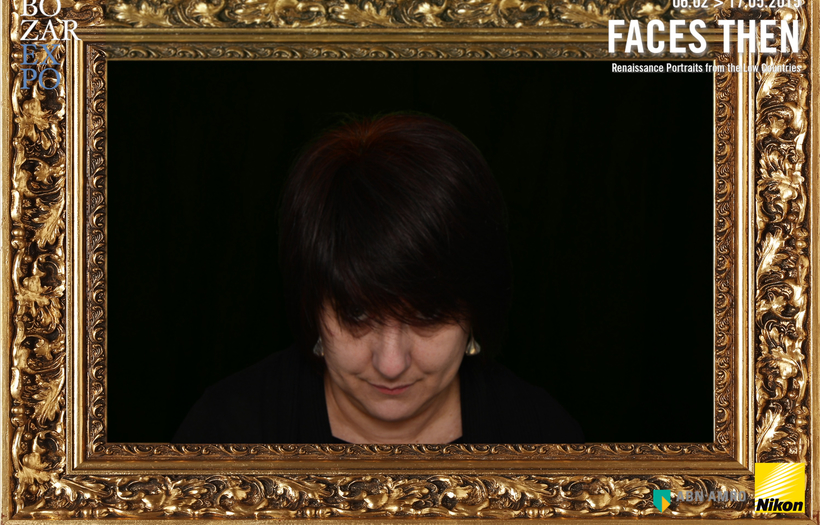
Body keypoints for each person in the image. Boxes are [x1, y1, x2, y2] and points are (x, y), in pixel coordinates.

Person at [174, 113, 582, 444]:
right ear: (312, 307)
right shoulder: (224, 435)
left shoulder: (544, 438)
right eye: (355, 314)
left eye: (427, 315)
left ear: (475, 310)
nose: (390, 364)